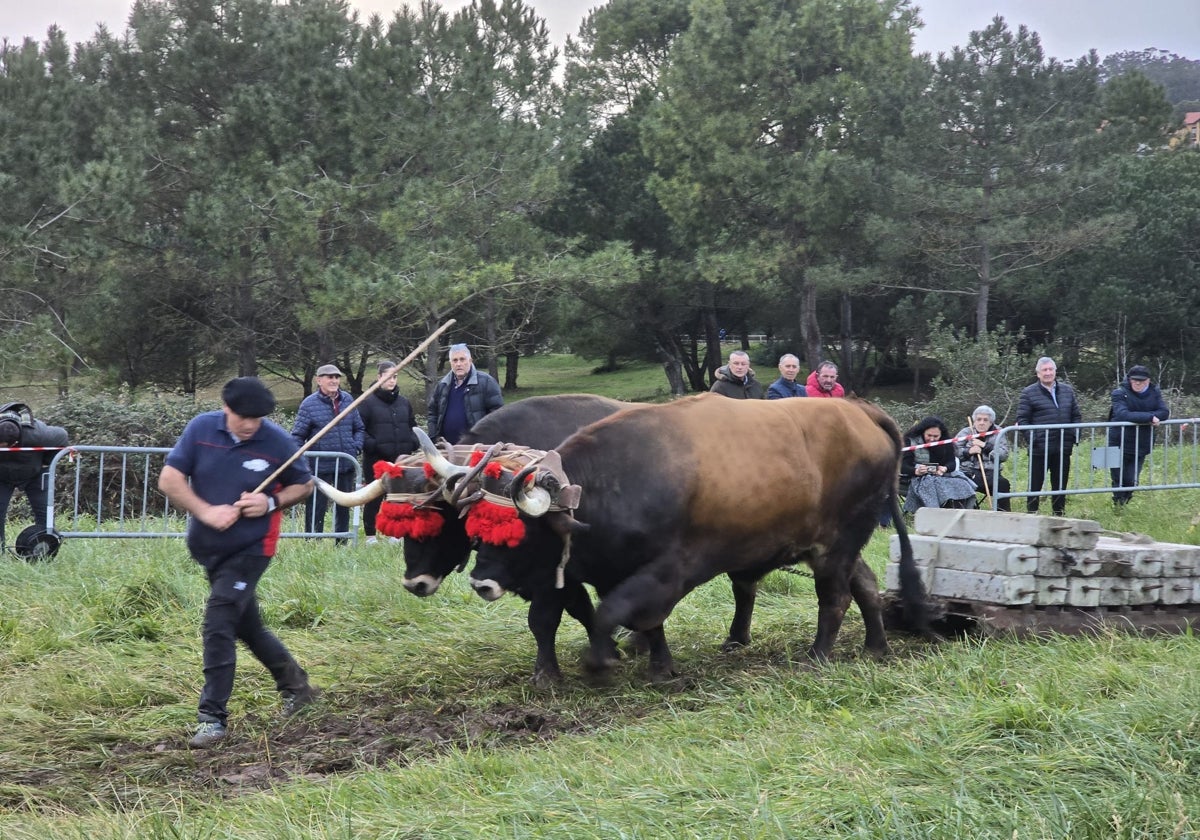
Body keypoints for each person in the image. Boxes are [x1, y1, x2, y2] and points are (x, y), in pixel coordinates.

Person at [159, 377, 319, 749]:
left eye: (257, 418)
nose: (250, 424)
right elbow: (169, 479)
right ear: (226, 408)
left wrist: (270, 503)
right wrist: (205, 511)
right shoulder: (201, 429)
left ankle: (212, 718)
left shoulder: (278, 442)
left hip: (252, 548)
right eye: (243, 416)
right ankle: (298, 687)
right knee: (247, 626)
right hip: (210, 548)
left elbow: (304, 485)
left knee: (219, 622)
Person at [291, 363, 365, 540]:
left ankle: (343, 541)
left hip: (345, 463)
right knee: (317, 506)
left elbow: (359, 428)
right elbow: (297, 436)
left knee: (344, 505)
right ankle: (313, 541)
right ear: (319, 380)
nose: (334, 380)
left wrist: (356, 446)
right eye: (329, 377)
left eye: (336, 377)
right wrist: (301, 461)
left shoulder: (347, 400)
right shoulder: (309, 405)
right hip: (320, 466)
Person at [358, 360, 418, 543]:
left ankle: (395, 533)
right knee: (374, 496)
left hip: (400, 459)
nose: (392, 380)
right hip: (376, 460)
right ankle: (370, 535)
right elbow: (360, 430)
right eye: (388, 376)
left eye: (395, 376)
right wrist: (374, 446)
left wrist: (412, 443)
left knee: (398, 497)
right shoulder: (367, 402)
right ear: (379, 377)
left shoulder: (404, 402)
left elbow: (412, 425)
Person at [1016, 356, 1081, 516]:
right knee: (1035, 484)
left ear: (1055, 371)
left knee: (1060, 484)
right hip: (1040, 447)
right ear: (1038, 373)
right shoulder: (1028, 393)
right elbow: (1022, 419)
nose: (1048, 373)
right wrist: (1034, 439)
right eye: (1044, 370)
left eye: (1050, 369)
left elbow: (1076, 415)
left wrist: (1074, 435)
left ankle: (1059, 514)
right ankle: (1032, 513)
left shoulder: (1067, 390)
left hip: (1063, 446)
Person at [0, 403, 69, 553]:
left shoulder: (37, 433)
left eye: (5, 445)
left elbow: (62, 437)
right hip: (2, 477)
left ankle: (44, 549)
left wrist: (47, 463)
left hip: (34, 475)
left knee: (44, 514)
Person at [1108, 364, 1170, 506]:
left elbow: (1164, 412)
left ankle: (1125, 500)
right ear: (1129, 379)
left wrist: (1152, 417)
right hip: (1117, 441)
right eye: (1134, 379)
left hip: (1141, 443)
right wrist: (1150, 418)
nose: (1137, 383)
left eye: (1141, 380)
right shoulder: (1119, 393)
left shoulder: (1155, 392)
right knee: (1118, 478)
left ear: (1147, 381)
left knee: (1131, 480)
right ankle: (1118, 505)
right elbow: (1122, 414)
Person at [427, 343, 504, 444]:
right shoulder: (443, 385)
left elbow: (497, 415)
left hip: (476, 449)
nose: (458, 364)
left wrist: (487, 441)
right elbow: (433, 413)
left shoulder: (486, 382)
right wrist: (433, 437)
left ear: (470, 360)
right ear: (450, 363)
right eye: (455, 360)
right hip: (446, 448)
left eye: (462, 359)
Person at [900, 416, 978, 514]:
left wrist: (944, 468)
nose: (932, 439)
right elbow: (903, 466)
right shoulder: (910, 441)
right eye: (929, 435)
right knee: (931, 485)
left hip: (942, 476)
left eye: (936, 436)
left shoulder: (945, 442)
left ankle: (961, 511)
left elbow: (952, 463)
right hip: (917, 478)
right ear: (922, 432)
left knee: (962, 483)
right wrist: (916, 471)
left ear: (941, 434)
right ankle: (937, 512)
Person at [955, 405, 1012, 511]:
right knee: (960, 483)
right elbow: (953, 452)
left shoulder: (999, 433)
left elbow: (1003, 455)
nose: (981, 422)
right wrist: (968, 451)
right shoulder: (965, 433)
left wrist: (985, 446)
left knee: (1003, 484)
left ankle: (1003, 514)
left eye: (985, 420)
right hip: (969, 472)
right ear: (974, 421)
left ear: (991, 422)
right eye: (979, 419)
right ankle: (969, 510)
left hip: (991, 472)